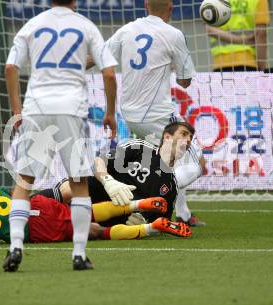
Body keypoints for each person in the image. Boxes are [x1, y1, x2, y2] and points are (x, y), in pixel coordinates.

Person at [4, 0, 118, 271]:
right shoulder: (85, 25)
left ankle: (15, 246)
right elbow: (110, 73)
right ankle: (78, 254)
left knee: (24, 181)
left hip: (37, 109)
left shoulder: (32, 25)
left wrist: (17, 110)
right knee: (79, 183)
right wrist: (110, 112)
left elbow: (10, 68)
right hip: (71, 110)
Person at [87, 0, 206, 226]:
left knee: (166, 163)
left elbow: (98, 57)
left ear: (145, 6)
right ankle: (146, 204)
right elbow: (185, 81)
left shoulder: (127, 30)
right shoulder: (174, 35)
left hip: (130, 114)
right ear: (170, 8)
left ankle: (184, 214)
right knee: (197, 163)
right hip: (158, 115)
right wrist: (171, 64)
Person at [0, 173, 191, 248]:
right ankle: (137, 204)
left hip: (33, 227)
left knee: (94, 232)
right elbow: (4, 201)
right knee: (86, 212)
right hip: (37, 205)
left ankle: (149, 227)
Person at [39, 121, 201, 227]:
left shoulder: (171, 186)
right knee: (73, 186)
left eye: (190, 138)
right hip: (98, 189)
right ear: (167, 136)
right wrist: (109, 181)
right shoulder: (140, 148)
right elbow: (98, 162)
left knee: (96, 230)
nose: (188, 141)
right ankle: (29, 205)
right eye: (184, 134)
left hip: (115, 215)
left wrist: (143, 223)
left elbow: (160, 220)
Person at [206, 0, 271, 72]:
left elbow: (210, 29)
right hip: (248, 63)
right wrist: (263, 69)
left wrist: (241, 40)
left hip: (221, 64)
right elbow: (261, 34)